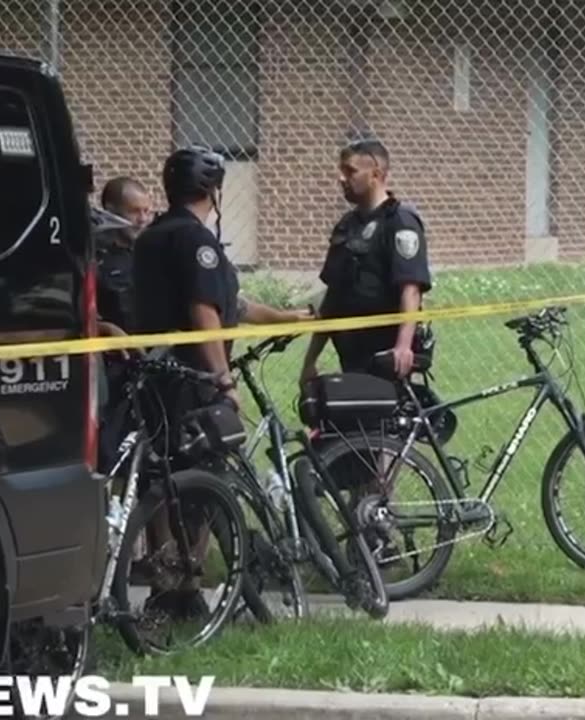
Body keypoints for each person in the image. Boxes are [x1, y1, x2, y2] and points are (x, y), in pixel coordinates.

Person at [129, 145, 306, 621]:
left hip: (153, 378)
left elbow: (234, 304)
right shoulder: (197, 243)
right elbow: (205, 313)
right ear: (212, 190)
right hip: (192, 380)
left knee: (161, 477)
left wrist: (286, 316)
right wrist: (223, 379)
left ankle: (168, 585)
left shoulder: (150, 239)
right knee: (205, 478)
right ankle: (187, 582)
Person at [300, 138, 433, 384]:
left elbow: (411, 289)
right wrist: (310, 361)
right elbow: (333, 298)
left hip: (385, 353)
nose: (341, 178)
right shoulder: (346, 226)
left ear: (376, 174)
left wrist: (403, 346)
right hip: (351, 351)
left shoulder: (400, 222)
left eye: (350, 171)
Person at [92, 175, 153, 336]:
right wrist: (103, 328)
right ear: (111, 211)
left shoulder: (152, 251)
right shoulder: (92, 256)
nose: (143, 219)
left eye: (146, 211)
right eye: (134, 211)